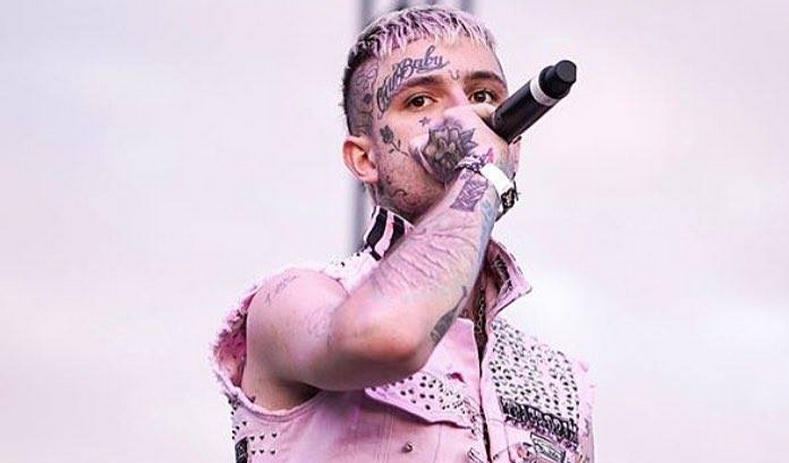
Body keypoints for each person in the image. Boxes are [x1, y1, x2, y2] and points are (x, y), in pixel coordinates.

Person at [211, 5, 594, 462]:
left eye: (482, 95)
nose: (466, 119)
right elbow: (389, 337)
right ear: (364, 158)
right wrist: (478, 174)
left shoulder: (559, 380)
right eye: (420, 101)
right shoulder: (291, 302)